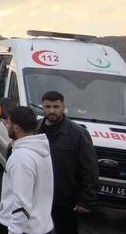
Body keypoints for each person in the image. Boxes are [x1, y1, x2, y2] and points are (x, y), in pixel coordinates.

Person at [37, 91, 98, 234]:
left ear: (63, 106)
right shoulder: (36, 128)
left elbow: (90, 169)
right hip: (39, 197)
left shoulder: (78, 133)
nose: (52, 110)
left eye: (56, 106)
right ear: (43, 106)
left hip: (65, 200)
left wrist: (87, 201)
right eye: (48, 106)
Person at [0, 106, 55, 234]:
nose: (6, 125)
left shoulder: (22, 158)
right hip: (42, 226)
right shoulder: (40, 149)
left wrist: (14, 231)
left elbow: (22, 203)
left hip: (22, 229)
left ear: (16, 127)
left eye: (8, 123)